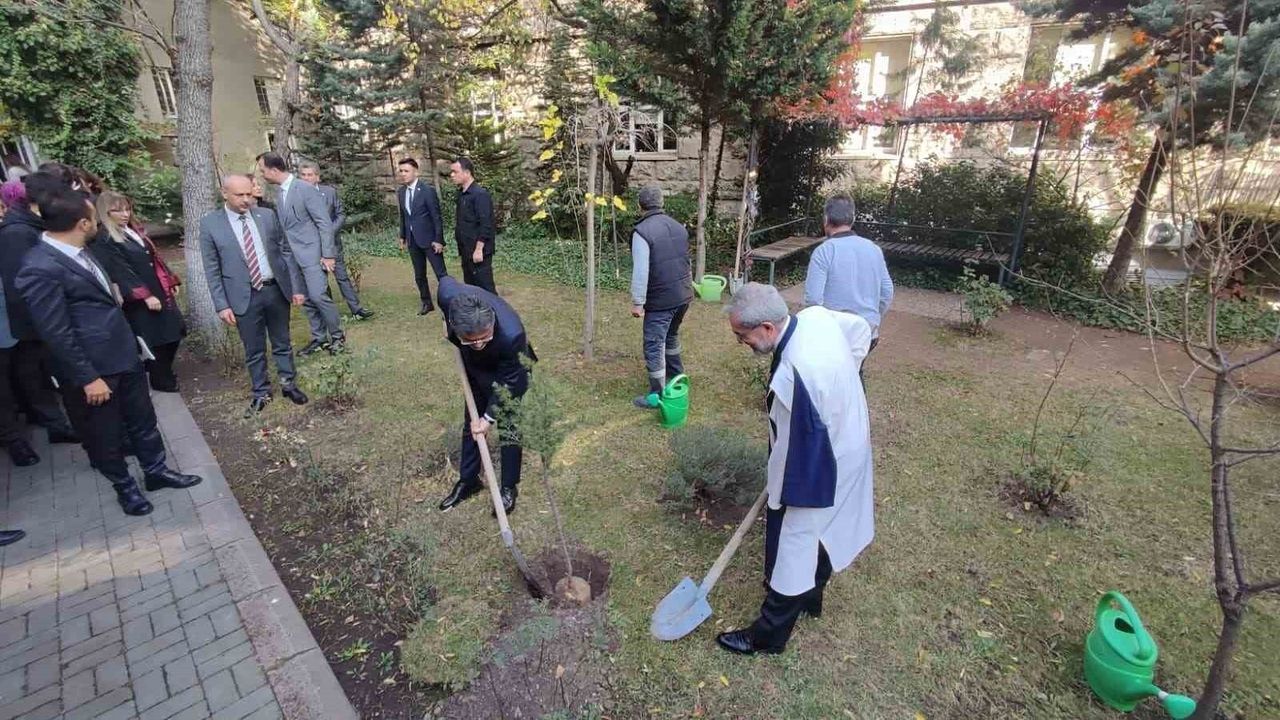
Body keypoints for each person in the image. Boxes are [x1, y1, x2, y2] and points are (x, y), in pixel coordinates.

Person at [15, 187, 202, 517]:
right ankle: (125, 489)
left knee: (143, 420)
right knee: (107, 434)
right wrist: (88, 378)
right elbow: (55, 331)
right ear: (83, 223)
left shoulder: (83, 251)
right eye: (93, 216)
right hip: (95, 371)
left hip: (124, 354)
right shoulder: (40, 267)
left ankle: (156, 471)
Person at [717, 282, 875, 656]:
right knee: (826, 528)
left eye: (744, 337)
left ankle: (768, 636)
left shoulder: (795, 374)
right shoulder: (816, 317)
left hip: (819, 459)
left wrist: (777, 496)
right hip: (848, 440)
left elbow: (790, 455)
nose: (743, 344)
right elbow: (861, 330)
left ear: (768, 328)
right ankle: (811, 597)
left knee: (795, 542)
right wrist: (847, 376)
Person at [200, 175, 310, 418]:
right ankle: (261, 392)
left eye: (249, 194)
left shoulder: (266, 216)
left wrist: (296, 287)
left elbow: (285, 252)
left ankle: (288, 384)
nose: (247, 200)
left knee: (282, 341)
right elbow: (212, 268)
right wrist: (221, 304)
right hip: (243, 296)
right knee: (254, 348)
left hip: (275, 290)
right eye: (240, 195)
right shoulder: (211, 224)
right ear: (224, 193)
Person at [436, 275, 535, 515]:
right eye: (473, 339)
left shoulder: (512, 335)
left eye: (484, 337)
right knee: (472, 422)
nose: (480, 342)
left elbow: (510, 384)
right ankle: (469, 480)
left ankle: (509, 486)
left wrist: (489, 418)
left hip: (510, 370)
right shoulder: (448, 297)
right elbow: (445, 280)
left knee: (508, 422)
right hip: (474, 364)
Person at [0, 174, 78, 445]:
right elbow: (19, 285)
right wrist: (41, 326)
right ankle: (57, 426)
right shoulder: (16, 233)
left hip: (42, 321)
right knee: (39, 377)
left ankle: (58, 422)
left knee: (45, 376)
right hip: (35, 325)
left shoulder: (29, 225)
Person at [91, 191, 186, 392]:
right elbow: (120, 270)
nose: (125, 214)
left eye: (127, 208)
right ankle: (161, 379)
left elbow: (154, 257)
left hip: (157, 287)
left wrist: (169, 279)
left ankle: (161, 372)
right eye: (118, 210)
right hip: (140, 296)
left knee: (173, 331)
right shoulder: (105, 238)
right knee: (156, 338)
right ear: (105, 212)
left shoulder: (132, 230)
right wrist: (145, 295)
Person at [255, 151, 345, 355]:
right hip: (292, 257)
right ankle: (319, 338)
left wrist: (328, 254)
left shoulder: (304, 189)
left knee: (319, 296)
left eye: (263, 170)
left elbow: (324, 223)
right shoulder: (280, 192)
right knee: (306, 299)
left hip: (312, 254)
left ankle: (338, 336)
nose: (262, 175)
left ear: (274, 170)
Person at [803, 195, 893, 363]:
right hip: (866, 333)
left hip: (833, 334)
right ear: (852, 219)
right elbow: (887, 293)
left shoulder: (824, 251)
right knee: (854, 378)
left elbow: (813, 300)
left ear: (826, 219)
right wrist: (870, 318)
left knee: (830, 381)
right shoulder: (874, 249)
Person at [628, 185, 694, 409]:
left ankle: (657, 395)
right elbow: (686, 261)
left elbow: (641, 269)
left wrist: (638, 302)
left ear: (640, 205)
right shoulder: (679, 227)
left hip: (661, 300)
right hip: (683, 295)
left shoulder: (642, 232)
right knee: (672, 337)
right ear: (661, 204)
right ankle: (677, 377)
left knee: (654, 344)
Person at [298, 162, 373, 321]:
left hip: (333, 245)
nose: (306, 178)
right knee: (321, 282)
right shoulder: (296, 197)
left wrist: (329, 231)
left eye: (309, 175)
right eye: (303, 175)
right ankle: (329, 314)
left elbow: (341, 215)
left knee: (342, 277)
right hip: (312, 248)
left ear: (317, 177)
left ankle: (357, 309)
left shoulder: (330, 192)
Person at [396, 157, 446, 314]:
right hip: (412, 240)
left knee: (441, 274)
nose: (403, 174)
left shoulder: (427, 191)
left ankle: (450, 301)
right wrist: (403, 236)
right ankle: (426, 303)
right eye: (401, 171)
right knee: (419, 275)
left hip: (430, 240)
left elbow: (436, 217)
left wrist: (439, 240)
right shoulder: (401, 192)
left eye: (406, 171)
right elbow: (404, 216)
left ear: (416, 172)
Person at [449, 157, 497, 293]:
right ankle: (477, 314)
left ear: (467, 173)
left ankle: (497, 313)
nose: (452, 175)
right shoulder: (461, 195)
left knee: (486, 288)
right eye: (451, 172)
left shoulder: (480, 195)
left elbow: (486, 224)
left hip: (479, 251)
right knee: (471, 287)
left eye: (455, 171)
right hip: (465, 250)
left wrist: (479, 249)